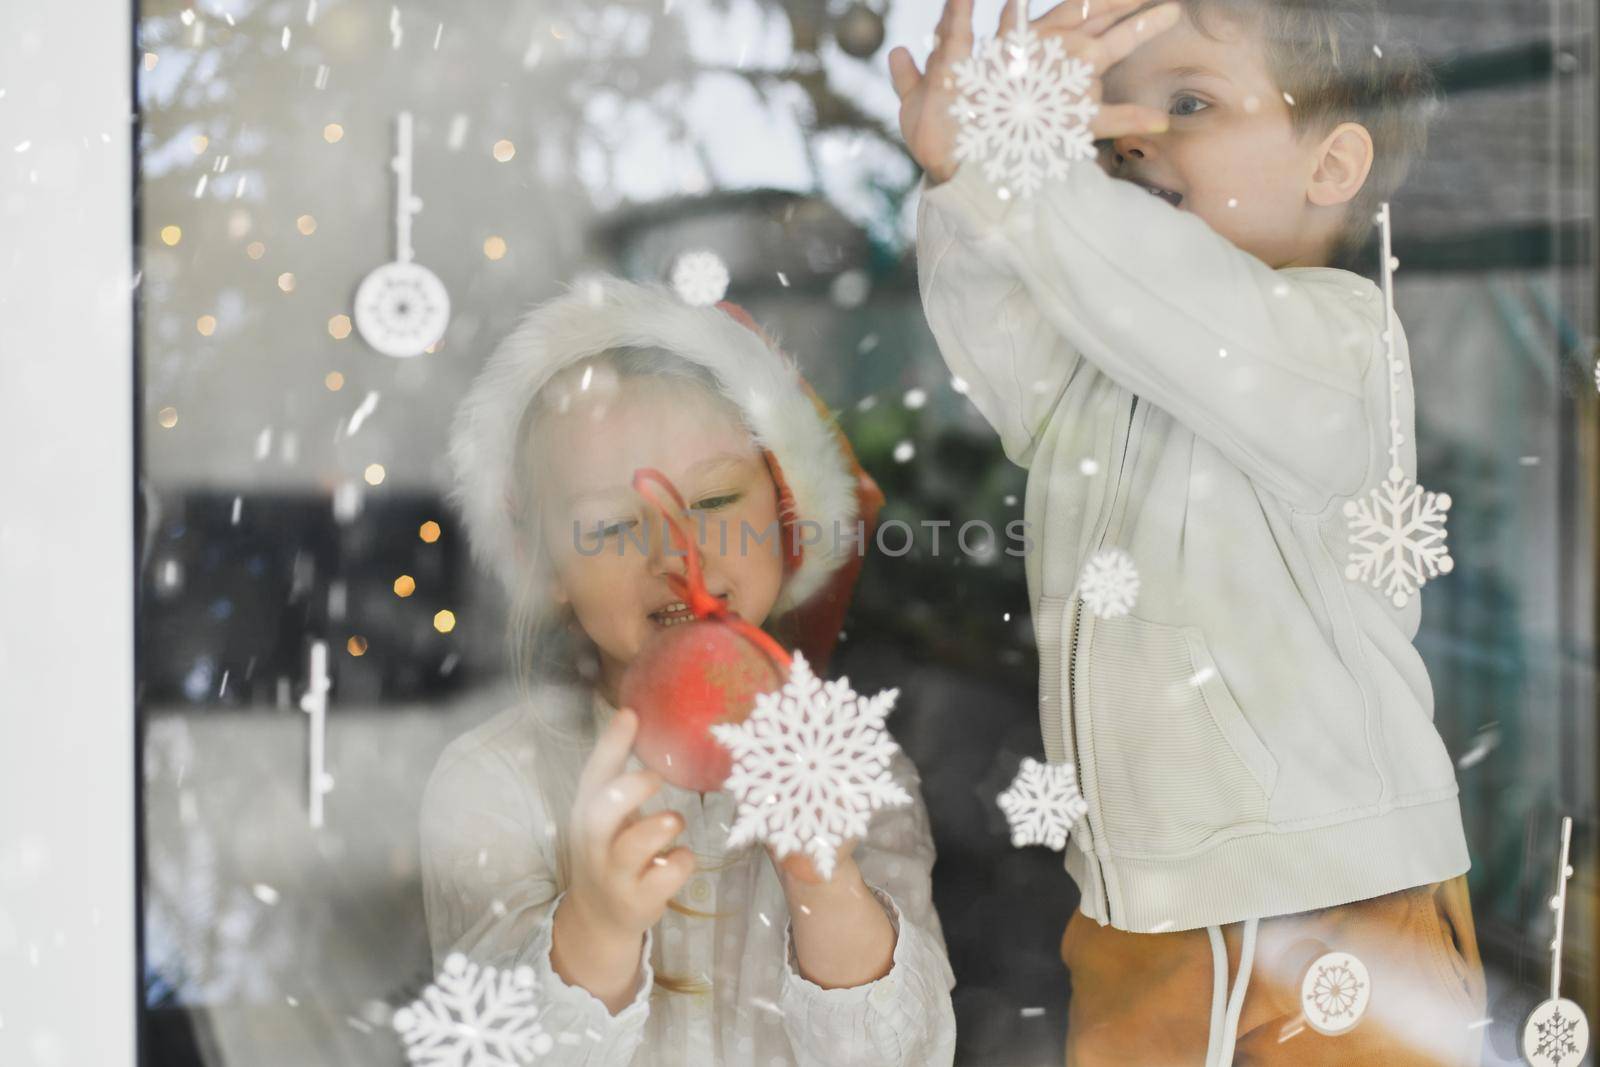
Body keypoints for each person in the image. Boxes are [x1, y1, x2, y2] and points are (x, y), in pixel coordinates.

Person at [890, 0, 1485, 1063]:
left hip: (1336, 890)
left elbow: (1176, 304)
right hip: (1140, 899)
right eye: (1115, 111)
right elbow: (1007, 324)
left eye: (1189, 100)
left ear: (1331, 164)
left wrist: (1028, 167)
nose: (1129, 131)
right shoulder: (1103, 366)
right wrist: (965, 180)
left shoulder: (1336, 344)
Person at [419, 275, 957, 1066]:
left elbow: (905, 1057)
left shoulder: (858, 769)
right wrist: (596, 928)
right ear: (548, 570)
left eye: (712, 503)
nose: (678, 553)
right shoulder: (490, 786)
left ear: (784, 519)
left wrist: (825, 879)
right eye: (608, 524)